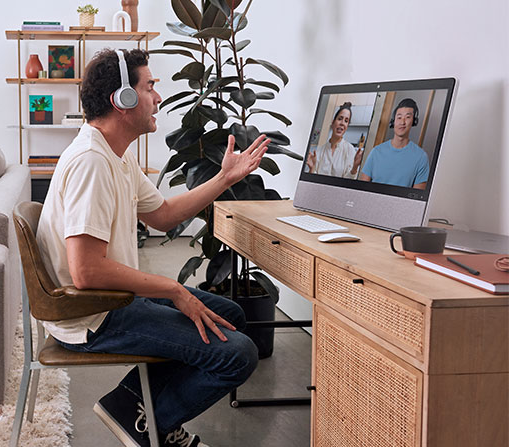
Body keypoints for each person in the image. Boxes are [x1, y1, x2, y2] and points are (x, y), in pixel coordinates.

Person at [36, 48, 267, 447]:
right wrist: (175, 291)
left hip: (110, 301)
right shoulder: (92, 162)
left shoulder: (116, 154)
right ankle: (147, 422)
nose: (157, 97)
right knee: (239, 353)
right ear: (122, 100)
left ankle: (132, 406)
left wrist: (223, 180)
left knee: (229, 314)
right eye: (149, 87)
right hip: (90, 313)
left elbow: (161, 215)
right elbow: (86, 271)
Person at [359, 98, 430, 189]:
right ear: (394, 121)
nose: (402, 122)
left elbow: (416, 197)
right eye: (399, 117)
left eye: (407, 117)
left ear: (414, 121)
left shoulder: (421, 157)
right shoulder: (376, 151)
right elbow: (362, 188)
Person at [306, 101, 363, 178]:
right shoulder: (320, 151)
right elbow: (313, 180)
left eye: (346, 121)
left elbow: (348, 183)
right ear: (333, 122)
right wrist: (312, 169)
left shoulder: (350, 150)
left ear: (347, 126)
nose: (342, 123)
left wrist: (354, 168)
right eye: (340, 119)